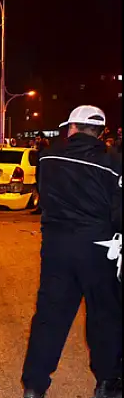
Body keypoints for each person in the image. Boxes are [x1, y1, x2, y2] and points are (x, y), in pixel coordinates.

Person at [21, 106, 122, 398]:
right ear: (100, 132)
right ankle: (107, 382)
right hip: (98, 249)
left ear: (72, 128)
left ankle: (34, 385)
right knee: (104, 316)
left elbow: (44, 195)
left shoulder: (49, 157)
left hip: (56, 247)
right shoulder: (113, 163)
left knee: (50, 316)